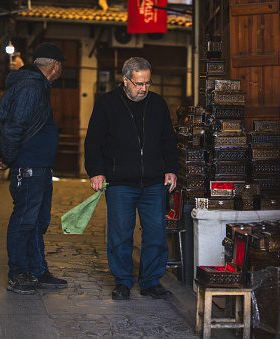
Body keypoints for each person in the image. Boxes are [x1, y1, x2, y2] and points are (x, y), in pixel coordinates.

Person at [84, 57, 179, 300]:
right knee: (120, 234)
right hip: (120, 183)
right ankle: (123, 282)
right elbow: (94, 141)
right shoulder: (106, 104)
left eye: (147, 83)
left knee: (156, 234)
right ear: (125, 80)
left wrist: (171, 168)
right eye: (138, 83)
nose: (144, 88)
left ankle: (150, 282)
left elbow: (168, 139)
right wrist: (96, 171)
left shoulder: (158, 104)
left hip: (153, 183)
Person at [0, 42, 68, 294]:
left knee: (37, 222)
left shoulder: (37, 85)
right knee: (24, 222)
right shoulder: (31, 87)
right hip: (29, 167)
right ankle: (18, 274)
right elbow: (13, 127)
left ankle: (37, 271)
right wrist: (7, 159)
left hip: (40, 166)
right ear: (55, 66)